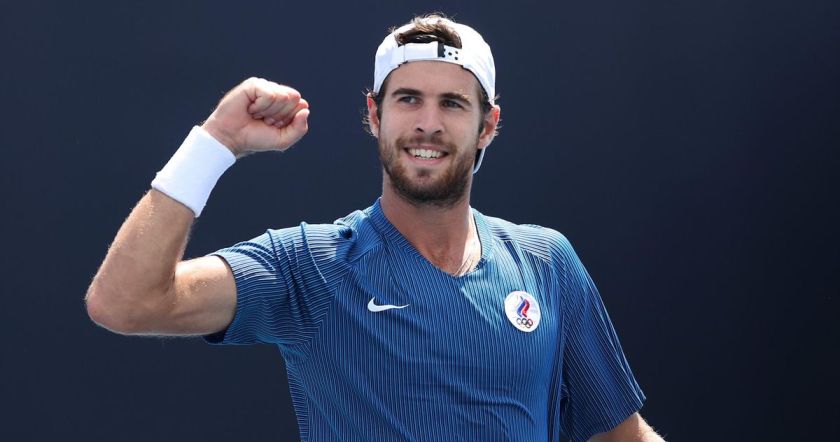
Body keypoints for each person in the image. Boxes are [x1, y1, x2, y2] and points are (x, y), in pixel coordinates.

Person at [86, 14, 664, 442]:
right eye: (408, 99)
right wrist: (217, 142)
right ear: (374, 114)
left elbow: (624, 435)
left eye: (452, 104)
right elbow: (125, 302)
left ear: (488, 125)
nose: (428, 124)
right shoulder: (309, 266)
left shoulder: (545, 262)